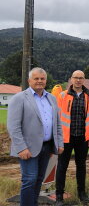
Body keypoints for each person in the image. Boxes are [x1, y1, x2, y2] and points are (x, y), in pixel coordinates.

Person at [7, 67, 64, 206]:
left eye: (42, 78)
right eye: (36, 78)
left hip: (46, 146)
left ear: (46, 80)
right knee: (29, 179)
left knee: (39, 179)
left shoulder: (51, 98)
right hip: (28, 148)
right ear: (29, 81)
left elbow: (57, 123)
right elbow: (13, 126)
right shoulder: (19, 98)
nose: (39, 81)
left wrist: (59, 143)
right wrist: (21, 148)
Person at [55, 70, 89, 205]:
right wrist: (57, 137)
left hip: (82, 138)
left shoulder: (88, 96)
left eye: (81, 78)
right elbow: (56, 118)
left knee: (81, 166)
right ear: (71, 79)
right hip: (66, 138)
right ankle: (59, 196)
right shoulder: (63, 95)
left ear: (84, 80)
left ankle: (82, 194)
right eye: (76, 78)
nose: (78, 80)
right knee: (62, 166)